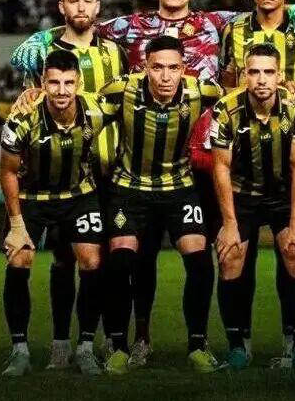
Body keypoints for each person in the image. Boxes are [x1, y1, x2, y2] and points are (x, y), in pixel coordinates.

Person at [10, 0, 295, 366]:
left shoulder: (216, 22)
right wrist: (43, 38)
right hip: (133, 166)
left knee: (219, 252)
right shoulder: (131, 27)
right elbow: (82, 22)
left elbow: (265, 8)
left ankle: (217, 341)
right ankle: (132, 339)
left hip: (204, 160)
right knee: (121, 257)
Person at [12, 0, 128, 369]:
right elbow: (29, 98)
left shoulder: (115, 52)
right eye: (73, 1)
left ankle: (108, 340)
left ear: (98, 7)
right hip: (63, 174)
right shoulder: (43, 49)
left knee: (108, 259)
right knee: (64, 259)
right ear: (62, 7)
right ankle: (63, 342)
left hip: (110, 172)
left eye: (87, 0)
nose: (81, 7)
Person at [217, 0, 295, 362]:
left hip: (287, 155)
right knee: (234, 256)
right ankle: (238, 344)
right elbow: (226, 76)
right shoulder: (234, 30)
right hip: (243, 169)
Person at [98, 36, 222, 375]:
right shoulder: (122, 90)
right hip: (129, 188)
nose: (166, 76)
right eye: (157, 68)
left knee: (200, 261)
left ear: (184, 68)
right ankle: (119, 347)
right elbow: (82, 107)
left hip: (179, 188)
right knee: (120, 262)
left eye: (173, 68)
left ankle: (197, 345)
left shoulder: (202, 91)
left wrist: (291, 89)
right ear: (144, 67)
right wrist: (34, 94)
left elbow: (244, 96)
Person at [0, 50, 115, 376]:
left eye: (68, 83)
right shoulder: (22, 119)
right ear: (42, 83)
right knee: (19, 258)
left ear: (78, 83)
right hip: (32, 197)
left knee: (92, 261)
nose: (62, 90)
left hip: (79, 195)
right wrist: (17, 225)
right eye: (54, 83)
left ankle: (86, 348)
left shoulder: (96, 108)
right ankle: (19, 351)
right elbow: (7, 171)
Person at [211, 43, 295, 370]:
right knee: (230, 257)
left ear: (280, 75)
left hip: (283, 194)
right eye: (254, 72)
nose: (261, 79)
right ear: (244, 75)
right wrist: (229, 224)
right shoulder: (226, 109)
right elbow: (221, 168)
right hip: (242, 194)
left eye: (269, 72)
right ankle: (237, 346)